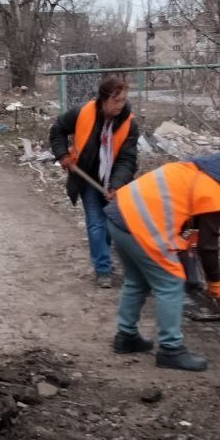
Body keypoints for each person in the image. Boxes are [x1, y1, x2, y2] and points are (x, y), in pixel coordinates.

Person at [105, 143, 220, 371]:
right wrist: (215, 281)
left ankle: (126, 336)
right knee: (170, 283)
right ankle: (171, 350)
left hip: (117, 217)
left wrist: (185, 247)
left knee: (137, 280)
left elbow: (187, 224)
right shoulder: (215, 192)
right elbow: (208, 246)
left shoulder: (195, 170)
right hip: (139, 226)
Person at [49, 75, 140, 287]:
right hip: (87, 176)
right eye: (115, 100)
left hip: (112, 178)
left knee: (110, 223)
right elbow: (57, 129)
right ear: (103, 99)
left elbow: (127, 159)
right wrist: (63, 155)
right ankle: (103, 269)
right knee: (96, 221)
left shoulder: (129, 124)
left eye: (123, 100)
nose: (120, 105)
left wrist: (116, 185)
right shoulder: (83, 112)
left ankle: (104, 258)